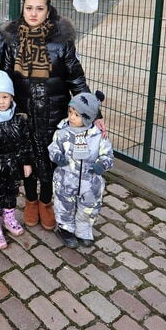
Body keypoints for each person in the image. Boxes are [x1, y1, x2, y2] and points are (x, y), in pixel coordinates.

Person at [0, 0, 99, 231]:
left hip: (54, 111)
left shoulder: (61, 41)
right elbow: (6, 76)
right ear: (23, 9)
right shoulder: (12, 39)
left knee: (52, 160)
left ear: (48, 10)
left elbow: (76, 77)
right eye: (29, 8)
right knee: (28, 157)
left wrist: (94, 114)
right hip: (23, 111)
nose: (33, 13)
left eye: (39, 8)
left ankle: (46, 201)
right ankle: (31, 200)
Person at [48, 91, 114, 248]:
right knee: (64, 205)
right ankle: (65, 229)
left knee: (88, 208)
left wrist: (101, 165)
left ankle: (84, 231)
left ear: (88, 118)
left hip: (90, 183)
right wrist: (57, 156)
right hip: (66, 179)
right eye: (70, 112)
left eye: (76, 115)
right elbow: (53, 148)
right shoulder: (63, 132)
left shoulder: (98, 136)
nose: (71, 117)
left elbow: (108, 156)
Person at [0, 70, 32, 250]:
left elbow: (25, 143)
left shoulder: (18, 120)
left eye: (5, 97)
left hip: (13, 165)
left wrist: (26, 162)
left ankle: (9, 217)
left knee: (11, 192)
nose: (1, 101)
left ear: (11, 97)